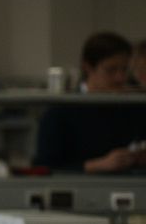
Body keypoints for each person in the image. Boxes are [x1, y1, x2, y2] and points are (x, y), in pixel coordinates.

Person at [33, 31, 146, 173]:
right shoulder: (60, 111)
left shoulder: (133, 107)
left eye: (124, 69)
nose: (120, 78)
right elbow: (44, 168)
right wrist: (96, 165)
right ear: (88, 67)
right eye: (111, 70)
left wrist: (139, 157)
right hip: (79, 189)